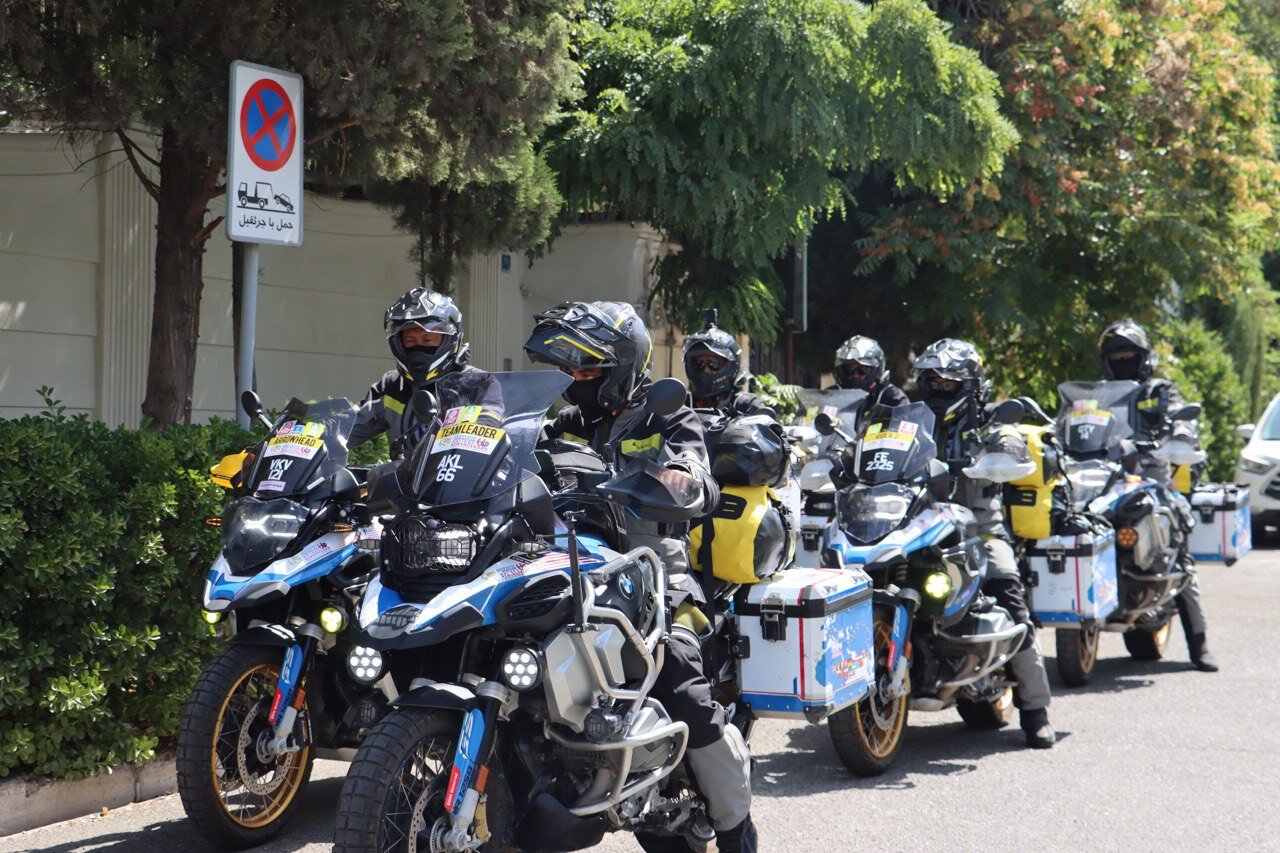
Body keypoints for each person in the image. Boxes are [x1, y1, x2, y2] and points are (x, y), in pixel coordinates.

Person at [524, 301, 757, 852]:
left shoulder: (669, 418)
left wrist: (678, 479)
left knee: (680, 682)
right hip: (572, 570)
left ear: (623, 367)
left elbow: (698, 477)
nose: (575, 383)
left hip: (656, 580)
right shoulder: (565, 425)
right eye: (570, 372)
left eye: (587, 371)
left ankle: (736, 829)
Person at [912, 338, 1057, 748]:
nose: (939, 389)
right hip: (920, 526)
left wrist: (1004, 452)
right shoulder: (915, 421)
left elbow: (1011, 446)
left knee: (1011, 601)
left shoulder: (991, 420)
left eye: (948, 382)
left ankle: (1034, 710)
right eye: (931, 381)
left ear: (970, 383)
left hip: (980, 529)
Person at [1099, 318, 1217, 672]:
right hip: (1107, 477)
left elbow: (1181, 420)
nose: (1123, 359)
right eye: (1116, 354)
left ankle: (1200, 645)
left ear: (1143, 356)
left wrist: (1181, 434)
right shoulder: (1097, 394)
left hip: (1153, 476)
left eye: (1129, 354)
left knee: (1179, 553)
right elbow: (1076, 423)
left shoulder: (1160, 389)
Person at [350, 287, 479, 457]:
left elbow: (492, 428)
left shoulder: (478, 384)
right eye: (410, 340)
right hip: (403, 481)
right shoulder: (391, 386)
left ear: (450, 340)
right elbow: (348, 426)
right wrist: (313, 433)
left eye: (427, 339)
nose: (419, 347)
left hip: (462, 479)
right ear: (399, 343)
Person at [682, 310, 776, 418]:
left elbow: (768, 431)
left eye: (714, 364)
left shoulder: (746, 405)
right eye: (698, 364)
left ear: (731, 366)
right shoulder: (681, 406)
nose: (705, 370)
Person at [834, 335, 909, 409]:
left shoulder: (892, 396)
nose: (855, 375)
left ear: (875, 371)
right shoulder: (833, 395)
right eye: (849, 370)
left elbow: (906, 416)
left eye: (862, 370)